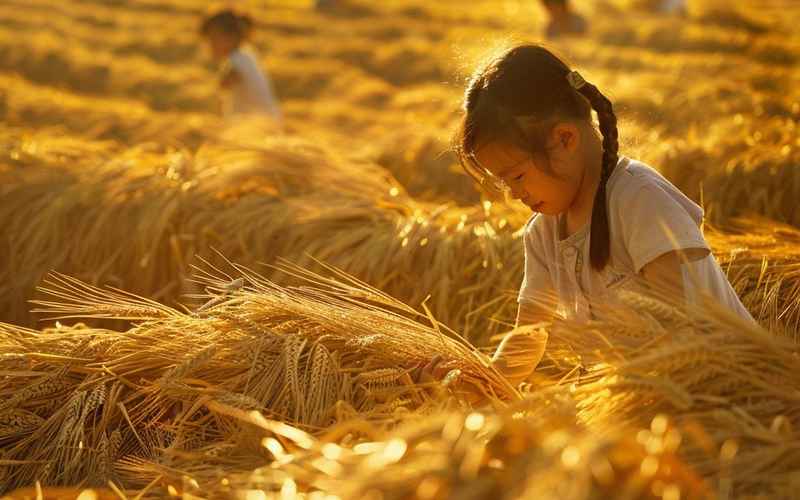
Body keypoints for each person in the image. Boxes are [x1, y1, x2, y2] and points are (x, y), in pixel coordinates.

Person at [437, 44, 755, 387]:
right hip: (648, 399)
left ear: (564, 138)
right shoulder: (543, 234)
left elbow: (678, 328)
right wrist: (481, 383)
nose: (512, 194)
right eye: (503, 182)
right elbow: (529, 335)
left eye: (516, 176)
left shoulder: (640, 200)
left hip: (734, 393)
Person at [200, 8, 282, 122]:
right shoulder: (246, 55)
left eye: (213, 40)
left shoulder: (238, 60)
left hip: (257, 124)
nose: (209, 46)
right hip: (263, 120)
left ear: (231, 38)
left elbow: (225, 84)